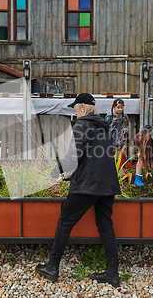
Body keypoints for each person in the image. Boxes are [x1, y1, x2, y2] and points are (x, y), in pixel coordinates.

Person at [35, 93, 122, 287]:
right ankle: (112, 273)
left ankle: (52, 268)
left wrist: (54, 171)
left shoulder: (82, 125)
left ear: (82, 107)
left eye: (75, 109)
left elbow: (75, 156)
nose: (75, 113)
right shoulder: (104, 127)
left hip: (88, 185)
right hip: (107, 185)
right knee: (106, 226)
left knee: (65, 222)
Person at [105, 98, 130, 172]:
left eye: (121, 107)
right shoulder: (109, 116)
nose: (120, 109)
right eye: (118, 107)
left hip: (121, 140)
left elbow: (127, 125)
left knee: (122, 155)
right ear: (114, 107)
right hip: (111, 140)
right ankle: (111, 171)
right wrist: (113, 123)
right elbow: (105, 126)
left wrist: (125, 130)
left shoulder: (124, 116)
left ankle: (122, 171)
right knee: (111, 156)